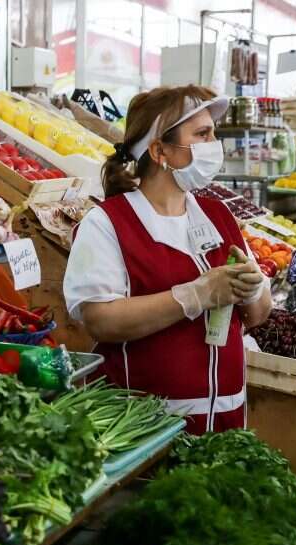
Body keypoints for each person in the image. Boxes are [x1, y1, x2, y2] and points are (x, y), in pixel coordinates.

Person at [63, 85, 271, 435]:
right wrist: (195, 295)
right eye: (202, 134)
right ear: (160, 150)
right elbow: (99, 319)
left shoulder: (218, 215)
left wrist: (252, 289)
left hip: (226, 420)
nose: (213, 145)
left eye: (213, 134)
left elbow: (258, 314)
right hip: (144, 426)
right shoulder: (108, 222)